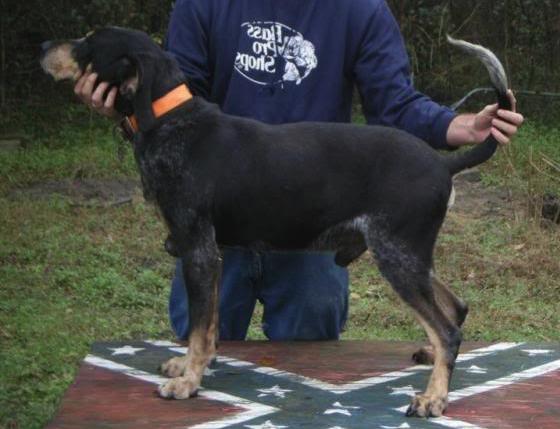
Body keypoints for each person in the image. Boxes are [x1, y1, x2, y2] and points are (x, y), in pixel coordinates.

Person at [75, 0, 524, 342]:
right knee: (205, 384)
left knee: (307, 386)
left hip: (313, 224)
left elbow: (394, 103)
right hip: (213, 219)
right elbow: (173, 98)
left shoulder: (359, 9)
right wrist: (121, 106)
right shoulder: (203, 3)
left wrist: (455, 124)